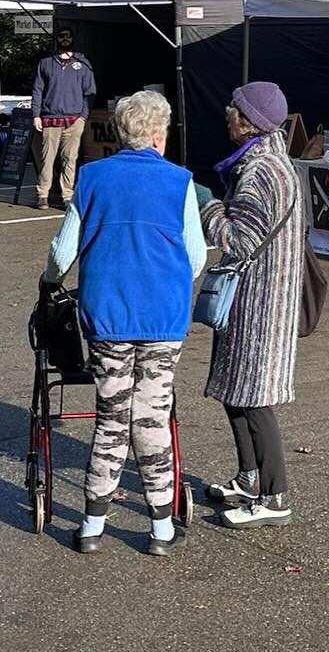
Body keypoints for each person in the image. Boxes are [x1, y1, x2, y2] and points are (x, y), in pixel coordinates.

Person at [43, 89, 207, 556]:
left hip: (108, 316)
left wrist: (49, 280)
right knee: (152, 417)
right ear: (159, 133)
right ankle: (159, 527)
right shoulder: (180, 183)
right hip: (163, 317)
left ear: (120, 131)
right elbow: (195, 257)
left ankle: (92, 523)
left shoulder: (93, 178)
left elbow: (62, 253)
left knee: (111, 417)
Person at [197, 81, 306, 529]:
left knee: (256, 398)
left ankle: (275, 497)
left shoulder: (262, 172)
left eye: (234, 109)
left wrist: (204, 205)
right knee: (235, 391)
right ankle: (248, 477)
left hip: (260, 302)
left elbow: (239, 240)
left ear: (250, 122)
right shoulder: (265, 162)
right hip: (256, 298)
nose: (227, 113)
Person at [30, 28, 95, 210]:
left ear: (73, 39)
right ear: (57, 39)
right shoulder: (45, 63)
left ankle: (67, 195)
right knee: (47, 159)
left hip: (74, 120)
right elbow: (37, 90)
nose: (65, 39)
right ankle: (43, 194)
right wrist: (36, 114)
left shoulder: (82, 64)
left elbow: (90, 92)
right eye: (61, 36)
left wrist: (83, 116)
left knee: (70, 158)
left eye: (68, 36)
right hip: (50, 118)